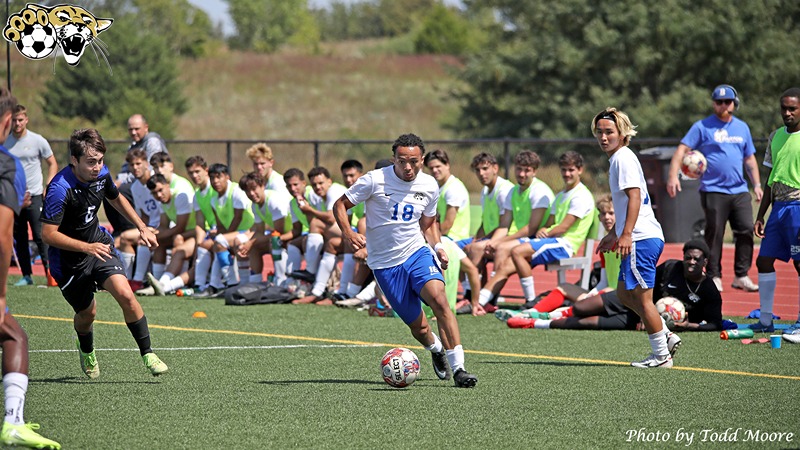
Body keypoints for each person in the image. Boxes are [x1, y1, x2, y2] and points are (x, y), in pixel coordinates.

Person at [333, 133, 477, 388]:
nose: (408, 167)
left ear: (422, 159)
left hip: (416, 252)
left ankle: (460, 369)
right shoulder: (374, 180)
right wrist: (348, 233)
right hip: (385, 265)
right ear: (394, 159)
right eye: (402, 161)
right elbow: (340, 205)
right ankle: (435, 349)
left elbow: (429, 224)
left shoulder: (430, 185)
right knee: (420, 328)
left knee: (440, 300)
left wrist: (439, 247)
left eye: (413, 161)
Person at [42, 128, 168, 378]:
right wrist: (86, 247)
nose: (97, 167)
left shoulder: (101, 174)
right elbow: (48, 234)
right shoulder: (59, 188)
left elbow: (115, 197)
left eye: (100, 161)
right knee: (87, 313)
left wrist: (141, 227)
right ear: (74, 160)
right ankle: (86, 347)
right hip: (68, 261)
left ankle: (148, 353)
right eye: (91, 162)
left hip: (99, 246)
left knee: (126, 294)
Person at [593, 107, 678, 368]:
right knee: (624, 293)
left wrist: (626, 234)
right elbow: (625, 203)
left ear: (622, 133)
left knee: (642, 298)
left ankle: (661, 356)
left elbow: (635, 197)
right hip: (638, 236)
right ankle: (666, 334)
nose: (604, 137)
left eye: (609, 132)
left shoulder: (622, 158)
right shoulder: (618, 159)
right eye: (599, 132)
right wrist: (612, 234)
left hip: (641, 237)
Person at [0, 89, 61, 450]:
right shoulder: (6, 164)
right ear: (8, 122)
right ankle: (12, 423)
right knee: (13, 336)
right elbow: (4, 236)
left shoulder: (33, 148)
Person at [505, 240, 722, 334]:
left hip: (637, 320)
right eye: (688, 257)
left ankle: (535, 323)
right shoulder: (670, 268)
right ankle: (548, 313)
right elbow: (643, 284)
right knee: (581, 307)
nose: (690, 262)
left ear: (705, 263)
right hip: (631, 299)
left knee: (584, 323)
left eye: (696, 259)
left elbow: (715, 324)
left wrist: (686, 326)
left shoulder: (709, 290)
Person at [666, 84, 762, 293]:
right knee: (715, 233)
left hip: (739, 189)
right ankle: (714, 275)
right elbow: (682, 150)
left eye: (727, 102)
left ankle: (741, 275)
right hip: (713, 189)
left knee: (746, 229)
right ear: (713, 104)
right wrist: (673, 176)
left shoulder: (742, 127)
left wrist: (756, 184)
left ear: (734, 104)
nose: (722, 105)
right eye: (718, 102)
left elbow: (749, 158)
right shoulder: (702, 126)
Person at [475, 151, 594, 309]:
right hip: (551, 241)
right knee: (505, 265)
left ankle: (530, 301)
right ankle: (479, 303)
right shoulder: (561, 195)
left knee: (517, 252)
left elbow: (564, 227)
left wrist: (545, 232)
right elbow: (550, 223)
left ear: (580, 170)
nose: (567, 174)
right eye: (564, 170)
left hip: (565, 244)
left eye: (571, 170)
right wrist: (544, 229)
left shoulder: (581, 195)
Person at [751, 87, 800, 332]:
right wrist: (760, 215)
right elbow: (771, 177)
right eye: (784, 108)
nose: (787, 113)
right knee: (764, 261)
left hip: (798, 207)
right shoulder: (775, 136)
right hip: (778, 209)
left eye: (793, 108)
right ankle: (766, 320)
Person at [4, 105, 58, 287]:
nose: (17, 123)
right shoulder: (5, 141)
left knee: (41, 236)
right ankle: (27, 276)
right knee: (19, 237)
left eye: (20, 120)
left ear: (26, 120)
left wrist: (48, 185)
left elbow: (52, 163)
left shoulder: (37, 140)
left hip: (34, 195)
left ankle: (51, 275)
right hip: (14, 197)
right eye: (14, 120)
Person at [237, 171, 292, 285]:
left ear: (262, 186)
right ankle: (254, 283)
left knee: (274, 242)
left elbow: (279, 232)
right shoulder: (255, 205)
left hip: (294, 234)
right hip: (280, 236)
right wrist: (246, 245)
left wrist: (250, 242)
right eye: (247, 191)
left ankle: (280, 281)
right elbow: (259, 231)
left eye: (254, 188)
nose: (251, 193)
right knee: (252, 247)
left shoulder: (273, 200)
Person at [117, 149, 160, 292]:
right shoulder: (135, 187)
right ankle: (127, 281)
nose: (135, 167)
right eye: (132, 165)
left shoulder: (158, 180)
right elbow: (144, 215)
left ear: (147, 164)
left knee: (138, 239)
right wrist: (145, 229)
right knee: (123, 239)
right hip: (152, 226)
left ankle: (137, 280)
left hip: (165, 225)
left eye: (138, 163)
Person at [423, 149, 471, 241]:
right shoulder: (436, 186)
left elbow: (447, 225)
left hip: (454, 239)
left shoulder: (454, 188)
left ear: (447, 165)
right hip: (443, 236)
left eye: (438, 166)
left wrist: (428, 236)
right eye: (431, 168)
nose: (434, 170)